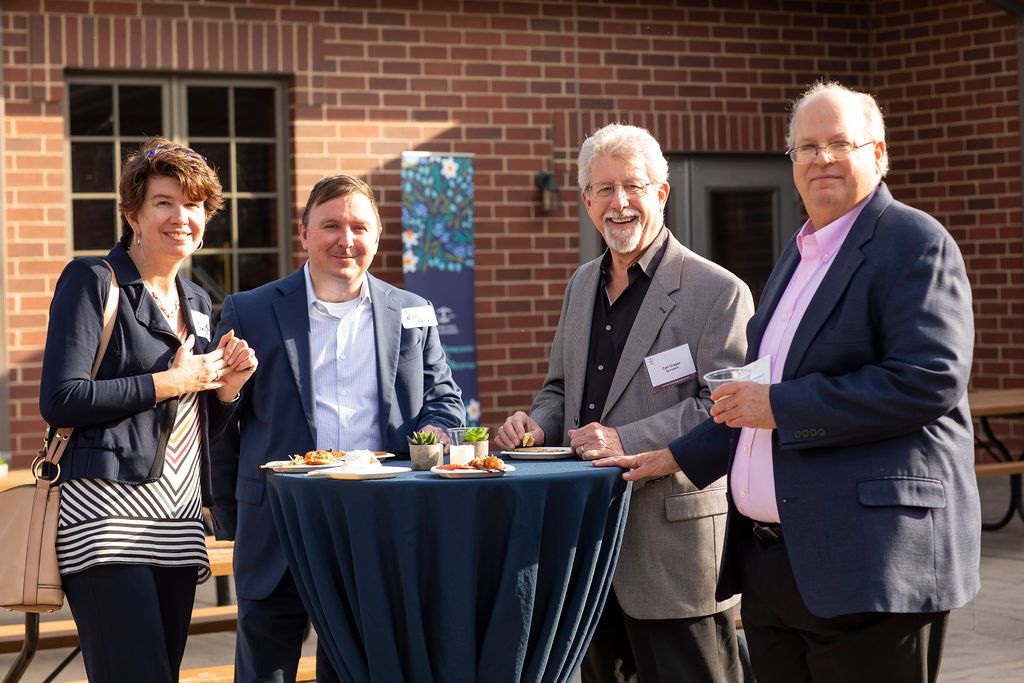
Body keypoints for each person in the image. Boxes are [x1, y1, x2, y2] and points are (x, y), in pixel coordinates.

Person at [596, 81, 980, 683]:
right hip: (776, 568)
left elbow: (928, 380)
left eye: (839, 144)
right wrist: (674, 455)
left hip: (870, 564)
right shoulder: (798, 255)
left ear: (878, 154)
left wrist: (781, 406)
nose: (821, 158)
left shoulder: (914, 242)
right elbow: (756, 392)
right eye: (806, 147)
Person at [494, 123, 753, 683]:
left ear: (661, 193)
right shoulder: (580, 285)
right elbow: (560, 390)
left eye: (633, 186)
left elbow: (723, 407)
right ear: (586, 201)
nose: (619, 202)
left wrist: (623, 440)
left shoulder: (719, 292)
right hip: (585, 551)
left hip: (673, 551)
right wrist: (535, 425)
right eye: (604, 189)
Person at [211, 173, 465, 682]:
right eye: (330, 225)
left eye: (359, 227)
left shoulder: (412, 312)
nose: (345, 240)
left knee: (357, 672)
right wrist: (231, 516)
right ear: (304, 233)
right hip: (280, 521)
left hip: (377, 524)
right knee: (264, 672)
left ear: (378, 235)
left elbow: (444, 399)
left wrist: (437, 433)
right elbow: (217, 420)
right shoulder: (251, 310)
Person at [38, 137, 257, 682]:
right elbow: (61, 398)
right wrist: (171, 381)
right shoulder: (92, 281)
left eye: (194, 205)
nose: (181, 216)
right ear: (133, 214)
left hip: (177, 525)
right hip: (105, 522)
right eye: (164, 202)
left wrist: (225, 390)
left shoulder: (197, 301)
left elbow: (188, 425)